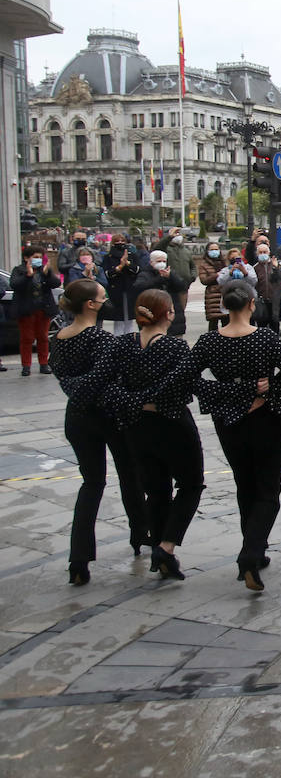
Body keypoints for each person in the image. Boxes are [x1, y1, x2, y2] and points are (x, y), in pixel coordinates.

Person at [191, 280, 281, 592]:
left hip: (229, 420)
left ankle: (254, 547)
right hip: (266, 416)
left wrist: (224, 392)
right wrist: (257, 390)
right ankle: (251, 552)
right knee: (268, 490)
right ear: (252, 304)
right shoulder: (266, 337)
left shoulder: (209, 341)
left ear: (226, 307)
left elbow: (186, 378)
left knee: (246, 484)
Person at [50, 279, 147, 585]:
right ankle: (139, 533)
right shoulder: (102, 340)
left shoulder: (59, 338)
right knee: (129, 475)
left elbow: (65, 378)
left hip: (77, 417)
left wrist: (76, 390)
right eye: (103, 298)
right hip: (108, 414)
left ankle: (79, 557)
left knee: (92, 484)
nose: (107, 302)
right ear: (90, 305)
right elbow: (107, 377)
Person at [107, 290, 204, 582]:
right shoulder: (175, 347)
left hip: (137, 425)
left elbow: (108, 383)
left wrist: (134, 400)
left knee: (156, 489)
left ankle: (161, 555)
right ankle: (166, 546)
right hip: (172, 422)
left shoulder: (123, 345)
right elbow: (185, 388)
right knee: (190, 484)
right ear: (168, 314)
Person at [10, 244, 61, 375]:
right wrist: (28, 275)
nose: (38, 259)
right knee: (27, 338)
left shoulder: (43, 271)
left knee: (43, 337)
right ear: (27, 258)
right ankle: (26, 366)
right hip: (26, 310)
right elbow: (15, 285)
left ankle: (44, 364)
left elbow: (56, 283)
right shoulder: (18, 270)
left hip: (43, 309)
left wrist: (48, 273)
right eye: (35, 257)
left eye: (40, 257)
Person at [133, 250, 190, 337]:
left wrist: (171, 277)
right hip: (154, 314)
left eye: (164, 261)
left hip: (173, 315)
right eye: (159, 261)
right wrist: (160, 279)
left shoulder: (171, 273)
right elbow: (139, 287)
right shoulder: (145, 274)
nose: (162, 263)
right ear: (151, 262)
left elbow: (182, 287)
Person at [102, 236, 142, 335]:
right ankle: (118, 339)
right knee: (118, 318)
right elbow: (107, 274)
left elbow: (138, 270)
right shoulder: (108, 257)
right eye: (117, 241)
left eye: (122, 241)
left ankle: (130, 340)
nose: (120, 243)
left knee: (130, 317)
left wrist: (127, 263)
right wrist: (119, 267)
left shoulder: (133, 255)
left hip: (130, 289)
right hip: (116, 289)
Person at [198, 242, 228, 332]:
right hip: (212, 297)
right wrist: (216, 275)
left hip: (224, 295)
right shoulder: (204, 265)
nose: (214, 251)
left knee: (226, 322)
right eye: (212, 250)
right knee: (213, 325)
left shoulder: (224, 263)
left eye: (216, 249)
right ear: (207, 251)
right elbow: (204, 280)